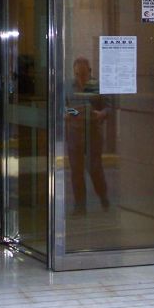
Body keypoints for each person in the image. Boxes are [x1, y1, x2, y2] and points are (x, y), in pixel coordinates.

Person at [65, 56, 110, 215]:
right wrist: (73, 113)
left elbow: (108, 107)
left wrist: (101, 114)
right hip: (75, 133)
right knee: (76, 171)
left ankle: (103, 196)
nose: (80, 78)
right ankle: (80, 206)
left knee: (94, 168)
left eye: (83, 74)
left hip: (93, 133)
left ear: (90, 72)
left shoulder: (98, 86)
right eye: (77, 74)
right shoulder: (68, 86)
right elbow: (63, 107)